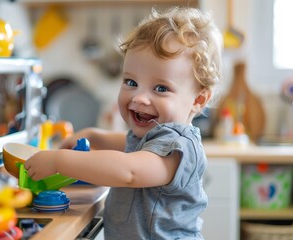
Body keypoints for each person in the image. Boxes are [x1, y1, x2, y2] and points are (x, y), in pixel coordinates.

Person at [25, 6, 222, 240]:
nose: (139, 97)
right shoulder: (151, 139)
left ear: (198, 100)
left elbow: (129, 170)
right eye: (131, 82)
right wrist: (95, 136)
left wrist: (59, 161)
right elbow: (128, 145)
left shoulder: (179, 147)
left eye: (161, 88)